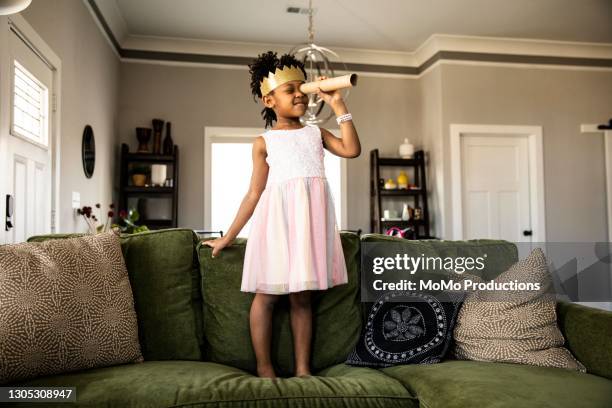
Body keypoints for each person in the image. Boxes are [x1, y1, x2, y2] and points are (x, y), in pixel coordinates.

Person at [202, 50, 361, 378]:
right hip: (276, 228)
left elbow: (351, 149)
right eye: (291, 91)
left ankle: (303, 369)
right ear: (269, 99)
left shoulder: (315, 134)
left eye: (302, 88)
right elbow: (253, 194)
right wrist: (227, 238)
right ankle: (265, 367)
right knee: (267, 296)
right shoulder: (264, 142)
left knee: (302, 299)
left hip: (309, 229)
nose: (300, 95)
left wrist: (338, 106)